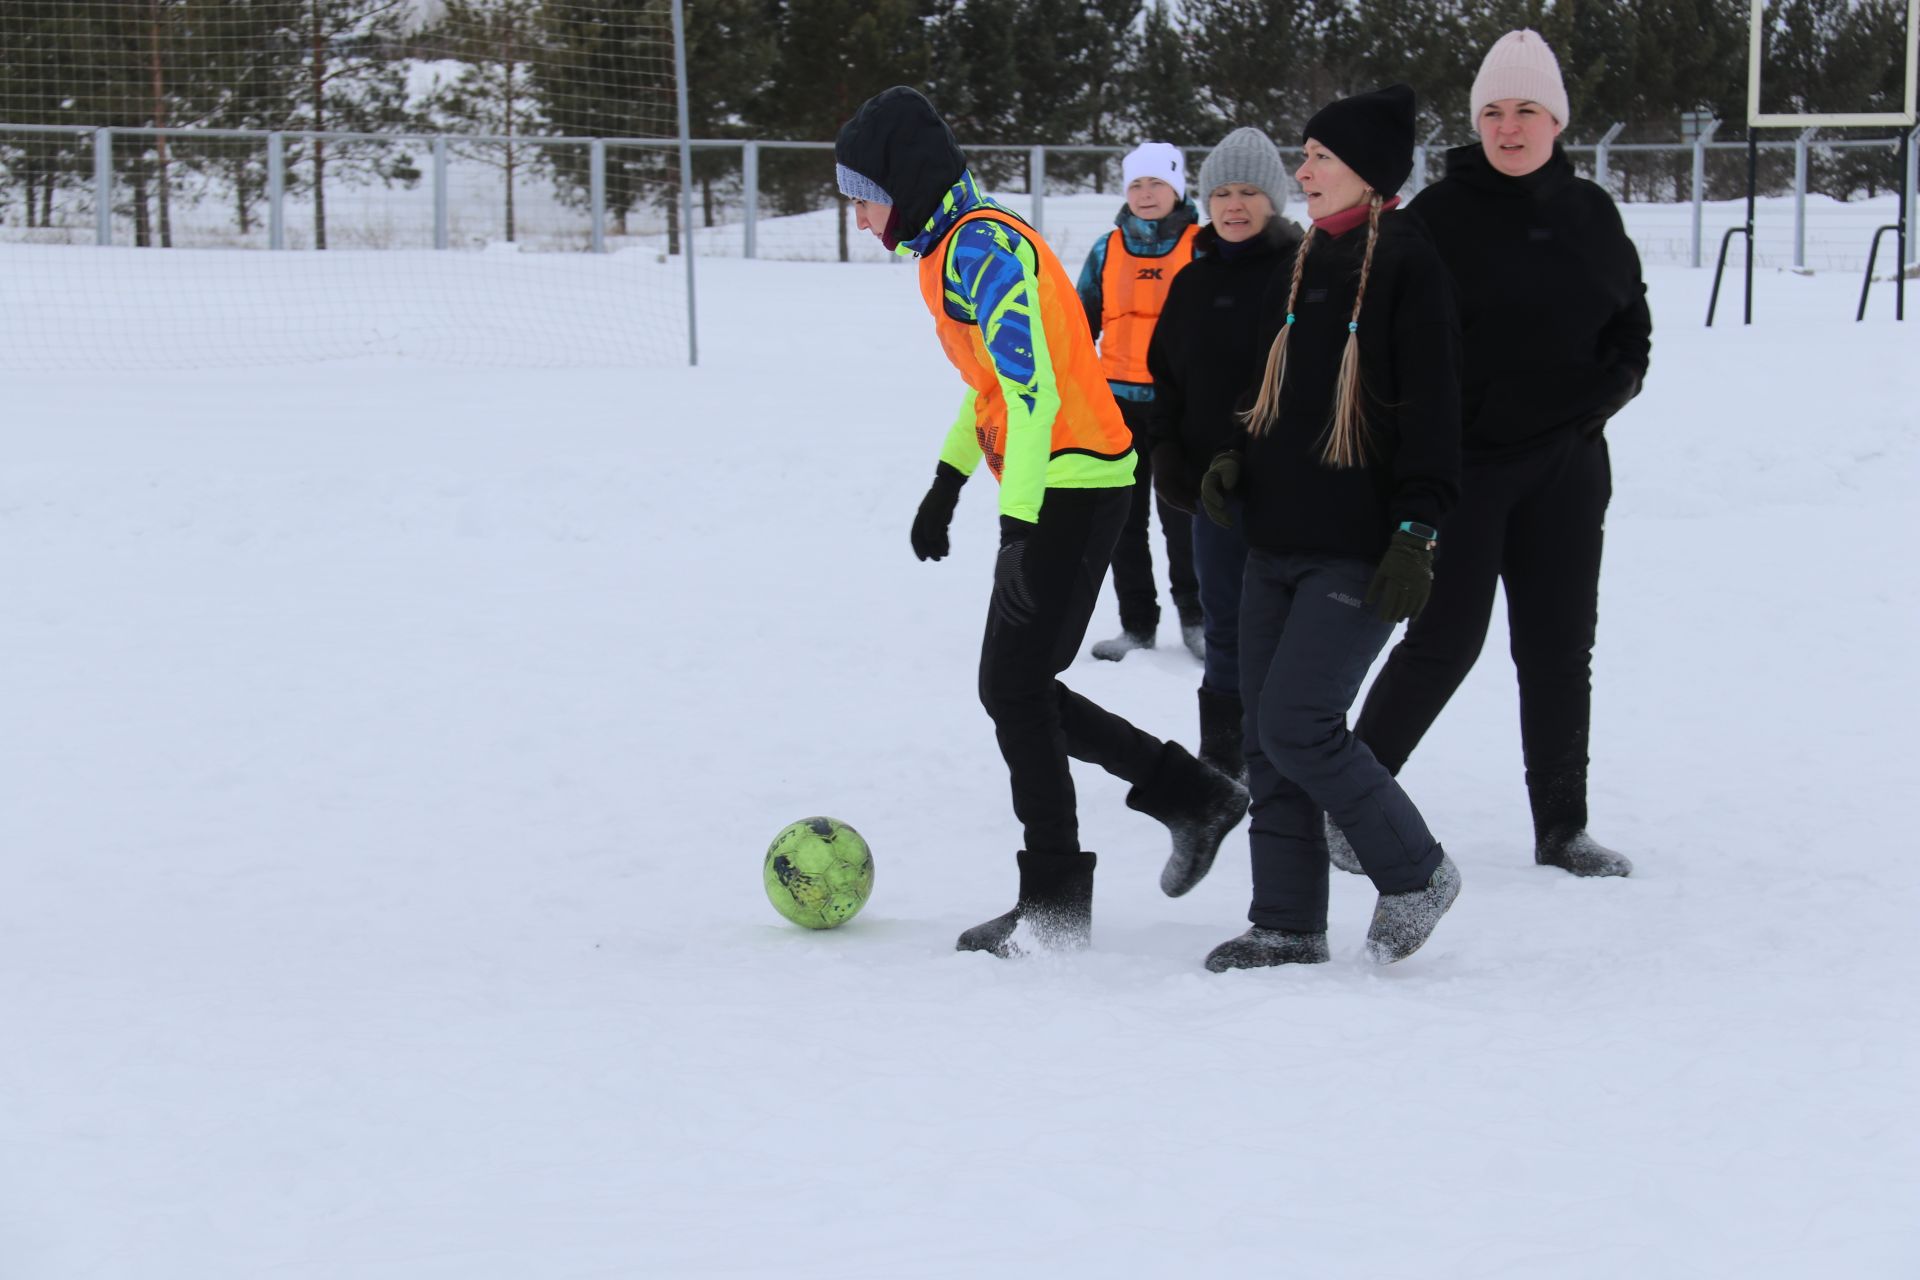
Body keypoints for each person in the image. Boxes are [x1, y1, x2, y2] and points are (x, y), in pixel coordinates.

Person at [832, 86, 1249, 955]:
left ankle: (1060, 907)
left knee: (1014, 689)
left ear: (904, 185)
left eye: (865, 198)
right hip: (1056, 481)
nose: (863, 220)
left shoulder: (983, 251)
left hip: (1078, 485)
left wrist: (1016, 532)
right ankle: (1192, 797)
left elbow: (1034, 396)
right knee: (1015, 687)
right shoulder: (948, 246)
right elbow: (989, 385)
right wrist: (946, 480)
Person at [1337, 31, 1651, 879]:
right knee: (1444, 642)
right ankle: (1349, 806)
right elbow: (1384, 347)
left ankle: (1562, 829)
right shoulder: (1435, 220)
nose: (1509, 128)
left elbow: (1632, 324)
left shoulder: (1591, 212)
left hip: (1569, 468)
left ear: (1557, 120)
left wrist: (1609, 393)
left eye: (1527, 112)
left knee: (1558, 649)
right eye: (1493, 113)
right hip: (1464, 470)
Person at [1196, 85, 1463, 971]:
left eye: (1319, 158)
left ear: (1370, 177)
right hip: (1276, 537)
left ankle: (1415, 869)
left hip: (1358, 544)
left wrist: (1418, 532)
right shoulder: (1304, 260)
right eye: (1304, 156)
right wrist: (1236, 455)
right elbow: (1274, 388)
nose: (1301, 170)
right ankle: (1287, 922)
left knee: (1300, 720)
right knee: (1266, 738)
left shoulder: (1410, 266)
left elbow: (1434, 416)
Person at [1143, 127, 1304, 781]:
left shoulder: (1300, 276)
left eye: (1249, 193)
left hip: (1287, 490)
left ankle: (1291, 754)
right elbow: (1167, 380)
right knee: (1226, 624)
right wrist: (1168, 457)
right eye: (1223, 193)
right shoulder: (1192, 282)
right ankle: (1221, 759)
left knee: (1289, 632)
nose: (1234, 206)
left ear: (1274, 198)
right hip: (1209, 496)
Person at [1075, 142, 1205, 663]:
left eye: (1156, 184)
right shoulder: (1107, 249)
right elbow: (1079, 322)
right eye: (1136, 185)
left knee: (1183, 519)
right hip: (1117, 407)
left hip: (1180, 408)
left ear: (1177, 188)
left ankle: (1198, 621)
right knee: (1122, 521)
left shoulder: (1203, 244)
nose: (1146, 194)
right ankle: (1137, 625)